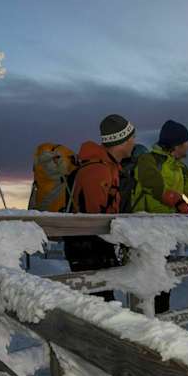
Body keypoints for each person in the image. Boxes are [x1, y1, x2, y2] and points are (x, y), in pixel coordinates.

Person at [63, 114, 137, 302]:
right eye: (132, 138)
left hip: (95, 249)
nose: (134, 142)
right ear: (121, 141)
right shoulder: (98, 171)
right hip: (88, 251)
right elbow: (95, 217)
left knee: (102, 305)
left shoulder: (109, 167)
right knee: (100, 308)